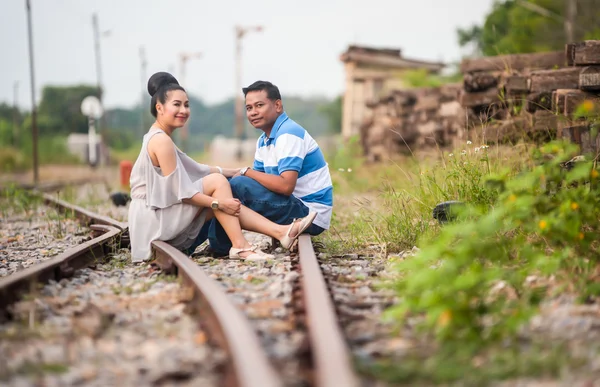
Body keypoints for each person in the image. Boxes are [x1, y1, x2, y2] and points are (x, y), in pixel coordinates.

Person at [127, 72, 316, 262]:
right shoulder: (161, 142)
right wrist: (218, 203)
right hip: (154, 221)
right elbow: (181, 192)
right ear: (159, 107)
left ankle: (279, 233)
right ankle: (243, 245)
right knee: (219, 188)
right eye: (176, 104)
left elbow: (197, 169)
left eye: (186, 105)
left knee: (223, 189)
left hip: (154, 216)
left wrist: (235, 172)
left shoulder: (158, 136)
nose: (183, 110)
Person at [204, 80, 333, 255]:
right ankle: (213, 245)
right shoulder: (264, 140)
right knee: (224, 185)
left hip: (309, 214)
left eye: (259, 105)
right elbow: (259, 181)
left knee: (235, 186)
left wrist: (246, 172)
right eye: (249, 108)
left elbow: (286, 186)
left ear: (277, 105)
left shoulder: (288, 134)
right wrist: (241, 176)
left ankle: (215, 246)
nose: (253, 112)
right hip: (293, 205)